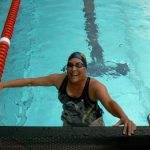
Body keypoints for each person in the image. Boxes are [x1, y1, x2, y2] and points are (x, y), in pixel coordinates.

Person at [0, 52, 136, 136]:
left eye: (78, 65)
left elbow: (110, 103)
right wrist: (4, 84)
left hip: (94, 126)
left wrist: (124, 117)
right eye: (70, 65)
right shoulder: (59, 80)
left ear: (86, 69)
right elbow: (31, 81)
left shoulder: (94, 86)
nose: (73, 69)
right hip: (69, 124)